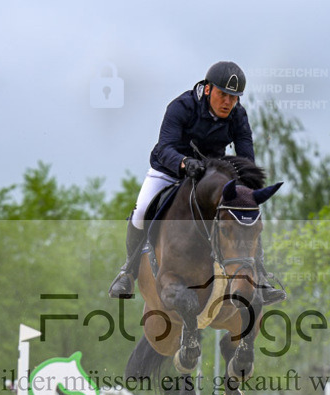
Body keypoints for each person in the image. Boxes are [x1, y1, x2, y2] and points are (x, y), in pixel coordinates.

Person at [108, 61, 285, 305]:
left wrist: (246, 188)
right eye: (223, 94)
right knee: (141, 212)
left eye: (234, 98)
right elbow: (164, 147)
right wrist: (183, 163)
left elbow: (246, 155)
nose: (228, 103)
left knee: (244, 213)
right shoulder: (182, 107)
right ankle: (128, 271)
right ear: (209, 89)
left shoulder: (238, 115)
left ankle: (261, 276)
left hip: (210, 175)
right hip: (170, 169)